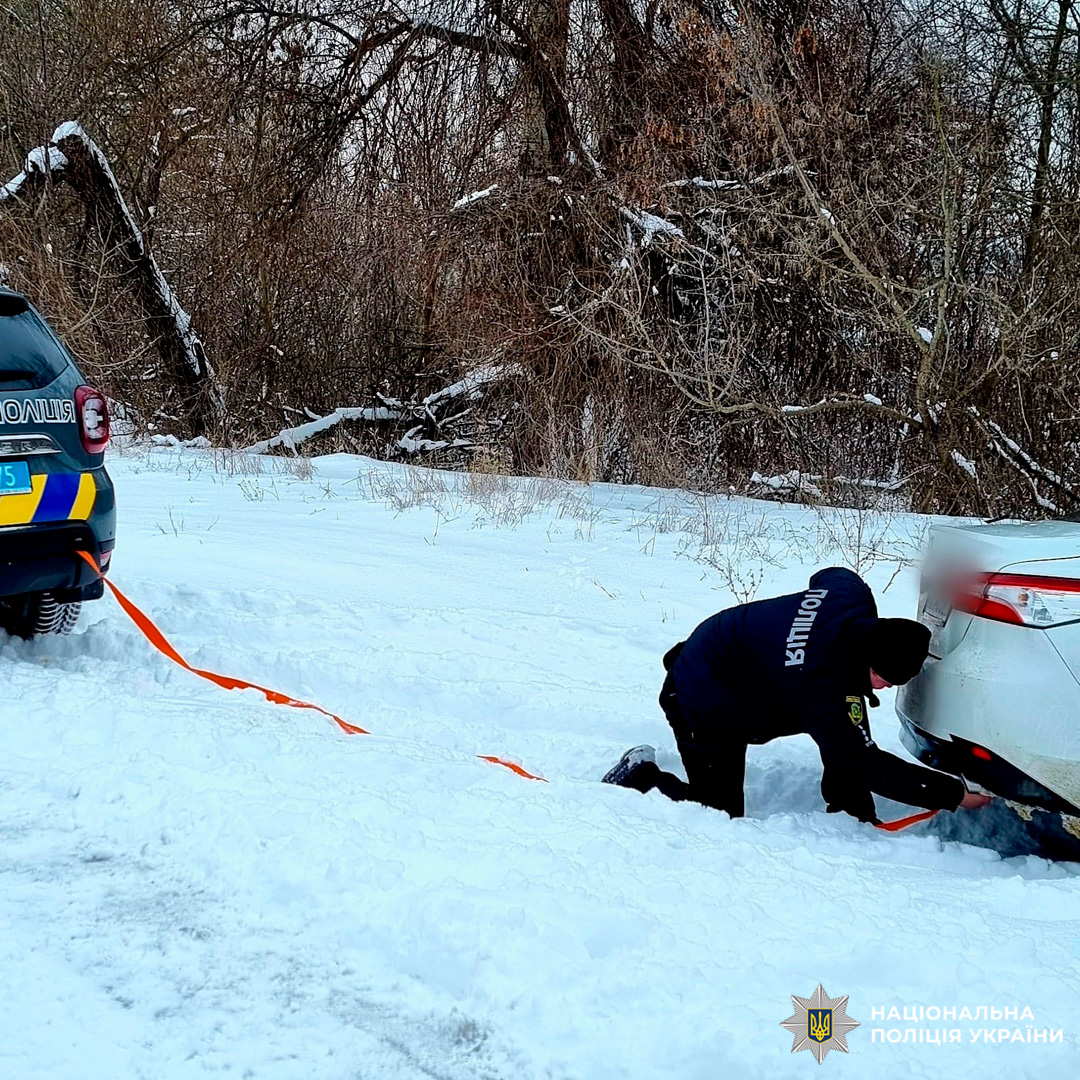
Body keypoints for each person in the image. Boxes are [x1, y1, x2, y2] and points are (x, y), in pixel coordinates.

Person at [602, 566, 992, 824]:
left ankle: (848, 808)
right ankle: (641, 778)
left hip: (720, 659)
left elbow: (834, 574)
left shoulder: (850, 601)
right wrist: (952, 794)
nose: (887, 688)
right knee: (716, 816)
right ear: (869, 662)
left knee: (845, 716)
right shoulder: (819, 682)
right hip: (699, 701)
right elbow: (864, 762)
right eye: (885, 679)